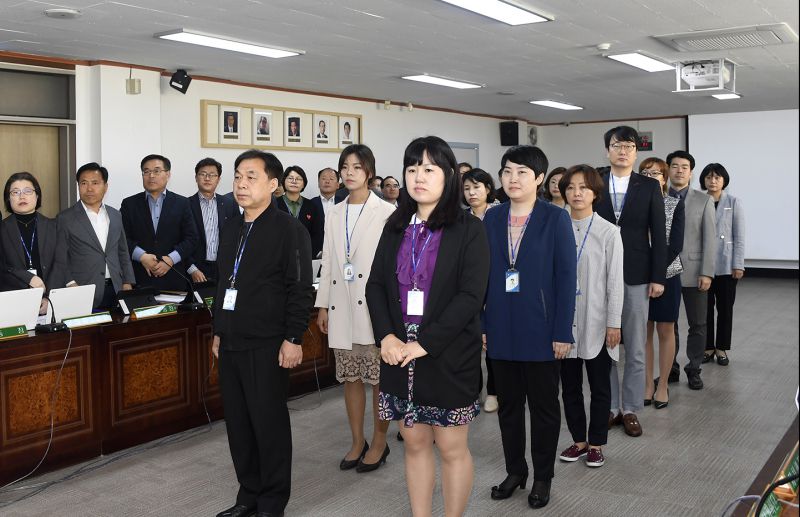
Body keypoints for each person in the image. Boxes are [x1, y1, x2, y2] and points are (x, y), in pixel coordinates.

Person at [365, 136, 489, 517]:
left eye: (430, 168)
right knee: (415, 442)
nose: (419, 176)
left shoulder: (468, 229)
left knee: (451, 448)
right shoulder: (395, 226)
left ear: (449, 175)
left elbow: (470, 296)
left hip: (447, 354)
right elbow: (375, 285)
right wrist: (386, 335)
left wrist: (426, 343)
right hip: (398, 353)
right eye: (413, 168)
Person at [211, 149, 313, 517]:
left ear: (273, 184)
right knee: (238, 424)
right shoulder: (232, 227)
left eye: (251, 176)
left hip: (270, 343)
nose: (241, 183)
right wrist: (218, 330)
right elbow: (224, 283)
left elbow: (301, 287)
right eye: (238, 175)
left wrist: (294, 337)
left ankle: (272, 502)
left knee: (268, 424)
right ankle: (247, 495)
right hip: (233, 340)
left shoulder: (289, 229)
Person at [483, 145, 576, 509]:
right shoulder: (492, 218)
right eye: (507, 171)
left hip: (541, 330)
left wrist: (562, 332)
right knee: (508, 406)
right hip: (501, 328)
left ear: (539, 178)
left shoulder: (555, 218)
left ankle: (542, 476)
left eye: (522, 172)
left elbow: (567, 278)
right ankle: (515, 471)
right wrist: (484, 322)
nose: (512, 178)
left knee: (543, 408)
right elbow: (482, 277)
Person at [316, 144, 396, 473]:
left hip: (374, 307)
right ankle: (356, 440)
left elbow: (393, 266)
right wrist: (322, 305)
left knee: (377, 380)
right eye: (344, 167)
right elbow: (329, 263)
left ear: (369, 173)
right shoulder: (334, 211)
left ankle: (379, 441)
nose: (349, 173)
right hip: (342, 305)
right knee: (350, 379)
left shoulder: (387, 212)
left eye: (356, 167)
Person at [595, 126, 666, 438]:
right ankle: (610, 406)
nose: (622, 151)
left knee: (635, 346)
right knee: (604, 345)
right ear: (607, 150)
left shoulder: (648, 187)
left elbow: (659, 235)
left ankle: (632, 408)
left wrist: (658, 276)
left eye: (628, 146)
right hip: (598, 272)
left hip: (637, 274)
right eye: (616, 145)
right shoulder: (594, 180)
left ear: (636, 152)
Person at [557, 164, 623, 469]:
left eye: (583, 187)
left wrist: (614, 323)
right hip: (564, 323)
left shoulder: (609, 232)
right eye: (571, 187)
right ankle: (578, 441)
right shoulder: (557, 227)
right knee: (569, 387)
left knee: (599, 386)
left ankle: (596, 443)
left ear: (595, 193)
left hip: (597, 319)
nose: (576, 193)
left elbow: (614, 282)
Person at [665, 150, 716, 390]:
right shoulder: (657, 196)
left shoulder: (703, 199)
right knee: (668, 324)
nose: (679, 170)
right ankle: (670, 369)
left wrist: (707, 272)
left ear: (691, 172)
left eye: (684, 167)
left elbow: (710, 238)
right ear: (668, 169)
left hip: (695, 271)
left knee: (698, 324)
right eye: (675, 166)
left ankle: (694, 369)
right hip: (665, 271)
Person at [639, 158, 684, 409]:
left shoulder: (674, 203)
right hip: (638, 277)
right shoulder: (634, 204)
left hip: (667, 274)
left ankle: (663, 384)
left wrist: (656, 272)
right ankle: (647, 384)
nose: (651, 176)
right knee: (643, 333)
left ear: (664, 178)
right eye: (645, 172)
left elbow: (675, 244)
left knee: (665, 331)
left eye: (656, 173)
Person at [58, 162, 135, 310]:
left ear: (105, 187)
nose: (89, 188)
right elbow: (60, 257)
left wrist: (127, 282)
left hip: (116, 288)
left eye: (95, 183)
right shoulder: (65, 218)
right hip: (82, 289)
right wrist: (70, 283)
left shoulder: (115, 215)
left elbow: (123, 251)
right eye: (84, 183)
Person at [120, 154, 199, 292]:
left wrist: (170, 259)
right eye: (146, 171)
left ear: (168, 174)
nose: (151, 176)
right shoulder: (129, 204)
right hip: (140, 278)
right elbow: (121, 238)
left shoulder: (182, 203)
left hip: (174, 278)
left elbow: (192, 239)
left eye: (156, 171)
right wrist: (142, 256)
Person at [461, 167, 500, 413]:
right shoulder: (461, 219)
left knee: (493, 344)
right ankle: (472, 391)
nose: (472, 192)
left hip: (496, 286)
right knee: (470, 343)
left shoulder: (498, 216)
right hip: (469, 288)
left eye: (476, 187)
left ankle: (494, 392)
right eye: (467, 188)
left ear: (487, 188)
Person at [1, 172, 67, 313]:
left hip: (49, 302)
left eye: (28, 191)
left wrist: (49, 298)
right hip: (13, 303)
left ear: (37, 196)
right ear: (8, 198)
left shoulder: (54, 226)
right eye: (15, 192)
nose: (22, 196)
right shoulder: (2, 228)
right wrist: (28, 278)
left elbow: (60, 264)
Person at [700, 163, 744, 366]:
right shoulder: (699, 200)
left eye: (717, 177)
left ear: (724, 180)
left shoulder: (733, 202)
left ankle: (722, 348)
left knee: (725, 309)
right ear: (703, 180)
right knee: (705, 309)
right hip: (703, 266)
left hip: (726, 265)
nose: (713, 181)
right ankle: (707, 347)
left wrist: (738, 264)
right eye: (709, 177)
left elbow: (739, 236)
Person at [187, 158, 239, 283]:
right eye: (203, 174)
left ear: (218, 179)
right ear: (196, 177)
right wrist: (191, 268)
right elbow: (180, 239)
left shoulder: (229, 204)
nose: (207, 178)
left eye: (212, 175)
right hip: (195, 269)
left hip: (223, 269)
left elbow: (237, 237)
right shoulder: (186, 204)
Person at [276, 166, 324, 258]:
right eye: (290, 178)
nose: (294, 181)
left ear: (303, 184)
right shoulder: (274, 204)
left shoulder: (311, 206)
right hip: (279, 256)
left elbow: (317, 234)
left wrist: (310, 253)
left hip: (305, 256)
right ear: (283, 181)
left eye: (298, 179)